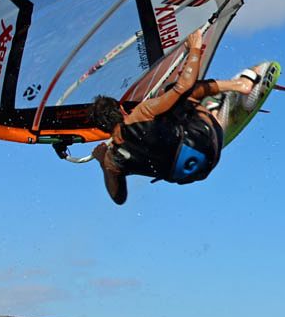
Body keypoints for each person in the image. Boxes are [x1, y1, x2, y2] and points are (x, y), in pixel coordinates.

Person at [88, 29, 259, 204]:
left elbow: (119, 198)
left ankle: (212, 111)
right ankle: (240, 85)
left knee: (170, 118)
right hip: (205, 141)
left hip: (198, 172)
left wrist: (103, 164)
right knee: (176, 93)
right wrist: (195, 48)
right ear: (122, 110)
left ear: (103, 129)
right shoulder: (141, 113)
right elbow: (184, 86)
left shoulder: (112, 160)